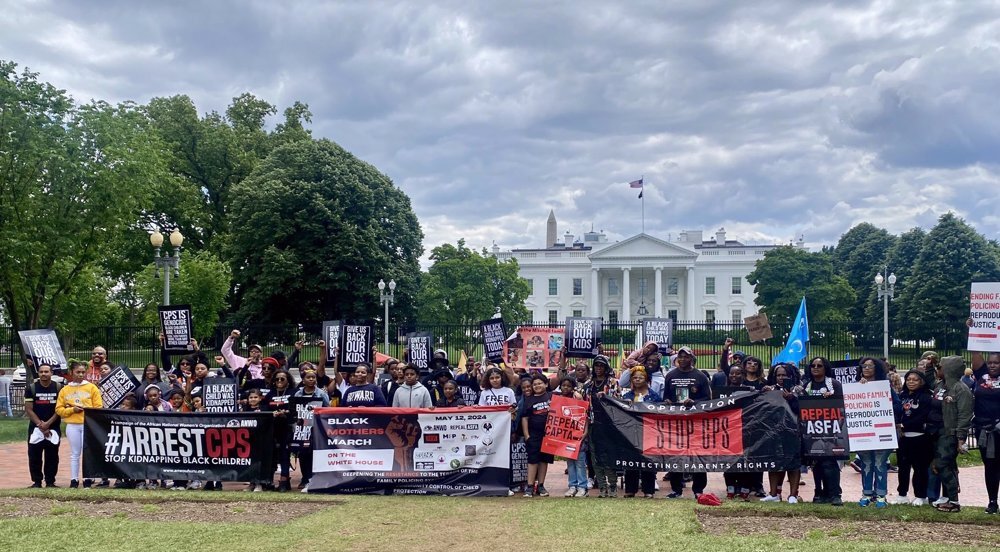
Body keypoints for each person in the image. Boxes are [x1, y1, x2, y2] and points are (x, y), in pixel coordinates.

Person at [663, 347, 711, 499]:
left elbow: (708, 399)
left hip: (696, 423)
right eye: (680, 357)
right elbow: (666, 397)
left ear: (691, 358)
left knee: (697, 456)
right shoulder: (671, 375)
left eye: (686, 357)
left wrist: (694, 402)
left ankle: (698, 489)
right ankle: (676, 489)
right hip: (676, 422)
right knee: (675, 456)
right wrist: (668, 402)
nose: (682, 359)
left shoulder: (700, 376)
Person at [854, 357, 901, 508]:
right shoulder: (854, 388)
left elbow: (897, 406)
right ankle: (866, 494)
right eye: (864, 365)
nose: (866, 368)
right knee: (866, 463)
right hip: (863, 431)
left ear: (877, 368)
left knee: (880, 463)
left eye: (870, 366)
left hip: (882, 431)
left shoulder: (885, 387)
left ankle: (881, 495)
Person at [800, 356, 844, 506]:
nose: (816, 368)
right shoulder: (806, 386)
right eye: (813, 365)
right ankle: (819, 492)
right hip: (813, 430)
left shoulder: (834, 384)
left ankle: (835, 494)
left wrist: (832, 398)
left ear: (825, 368)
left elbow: (842, 406)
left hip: (832, 429)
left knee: (830, 462)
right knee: (816, 463)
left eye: (819, 365)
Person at [933, 356, 974, 513]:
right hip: (938, 431)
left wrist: (960, 438)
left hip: (950, 433)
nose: (938, 370)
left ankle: (954, 501)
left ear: (949, 369)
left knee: (942, 465)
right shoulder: (941, 385)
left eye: (940, 367)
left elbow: (964, 415)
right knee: (947, 465)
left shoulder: (961, 389)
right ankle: (947, 496)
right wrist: (931, 366)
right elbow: (928, 381)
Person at [56, 361, 103, 488]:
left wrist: (86, 408)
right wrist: (72, 410)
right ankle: (74, 480)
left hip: (88, 425)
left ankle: (87, 479)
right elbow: (59, 410)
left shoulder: (92, 388)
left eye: (83, 372)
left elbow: (98, 407)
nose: (81, 374)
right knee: (75, 453)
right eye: (78, 372)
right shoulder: (65, 390)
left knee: (87, 452)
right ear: (72, 373)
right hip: (72, 425)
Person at [761, 363, 802, 503]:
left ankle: (793, 495)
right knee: (773, 463)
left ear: (791, 376)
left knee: (793, 464)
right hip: (773, 432)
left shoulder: (799, 389)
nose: (781, 377)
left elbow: (804, 410)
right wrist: (764, 394)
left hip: (794, 432)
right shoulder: (769, 389)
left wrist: (792, 399)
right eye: (778, 375)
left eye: (784, 375)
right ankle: (774, 494)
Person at [892, 369, 933, 506]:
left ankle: (921, 495)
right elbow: (896, 411)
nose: (911, 382)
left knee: (920, 468)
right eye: (909, 379)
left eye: (915, 379)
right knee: (903, 467)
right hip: (903, 438)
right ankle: (902, 494)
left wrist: (903, 425)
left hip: (920, 437)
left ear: (921, 381)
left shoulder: (926, 397)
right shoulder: (901, 395)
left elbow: (922, 416)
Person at [621, 367, 662, 498]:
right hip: (632, 433)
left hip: (649, 432)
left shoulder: (654, 396)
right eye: (634, 377)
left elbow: (659, 411)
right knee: (631, 461)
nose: (637, 379)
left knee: (648, 461)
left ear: (646, 380)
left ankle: (648, 490)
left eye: (640, 377)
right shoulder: (627, 396)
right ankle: (630, 489)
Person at [584, 355, 618, 498]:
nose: (598, 368)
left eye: (601, 366)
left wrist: (607, 396)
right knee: (595, 456)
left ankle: (613, 486)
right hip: (592, 424)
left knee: (608, 455)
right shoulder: (588, 384)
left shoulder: (612, 383)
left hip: (608, 424)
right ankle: (602, 487)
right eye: (596, 365)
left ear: (606, 367)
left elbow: (619, 401)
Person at [24, 363, 62, 487]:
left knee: (52, 456)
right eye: (41, 372)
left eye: (46, 372)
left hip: (54, 427)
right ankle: (37, 481)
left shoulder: (59, 388)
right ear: (38, 373)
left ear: (51, 373)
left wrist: (48, 424)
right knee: (34, 455)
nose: (44, 374)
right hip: (35, 428)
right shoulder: (31, 388)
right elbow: (29, 409)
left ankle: (50, 481)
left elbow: (60, 408)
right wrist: (41, 425)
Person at [293, 368, 331, 491]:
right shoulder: (298, 394)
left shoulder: (321, 393)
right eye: (308, 377)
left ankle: (314, 478)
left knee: (314, 453)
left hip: (316, 428)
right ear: (303, 380)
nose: (311, 379)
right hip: (302, 429)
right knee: (303, 453)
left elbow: (327, 409)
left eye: (313, 377)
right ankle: (305, 478)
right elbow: (294, 410)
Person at [973, 352, 1000, 514]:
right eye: (990, 362)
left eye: (996, 363)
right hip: (983, 429)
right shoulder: (981, 375)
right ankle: (992, 502)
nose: (992, 365)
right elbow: (976, 354)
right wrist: (972, 330)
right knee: (990, 466)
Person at [520, 374, 553, 497]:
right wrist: (527, 434)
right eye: (534, 384)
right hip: (534, 435)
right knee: (533, 460)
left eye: (540, 383)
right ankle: (530, 486)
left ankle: (541, 485)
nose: (537, 386)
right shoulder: (529, 400)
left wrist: (576, 394)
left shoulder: (552, 396)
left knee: (544, 460)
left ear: (546, 384)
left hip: (549, 435)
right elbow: (525, 418)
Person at [555, 377, 587, 497]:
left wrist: (585, 433)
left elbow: (585, 416)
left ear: (573, 387)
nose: (566, 388)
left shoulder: (577, 397)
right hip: (565, 436)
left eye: (568, 386)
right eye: (563, 385)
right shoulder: (558, 399)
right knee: (570, 462)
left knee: (580, 462)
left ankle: (582, 487)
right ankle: (572, 486)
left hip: (578, 435)